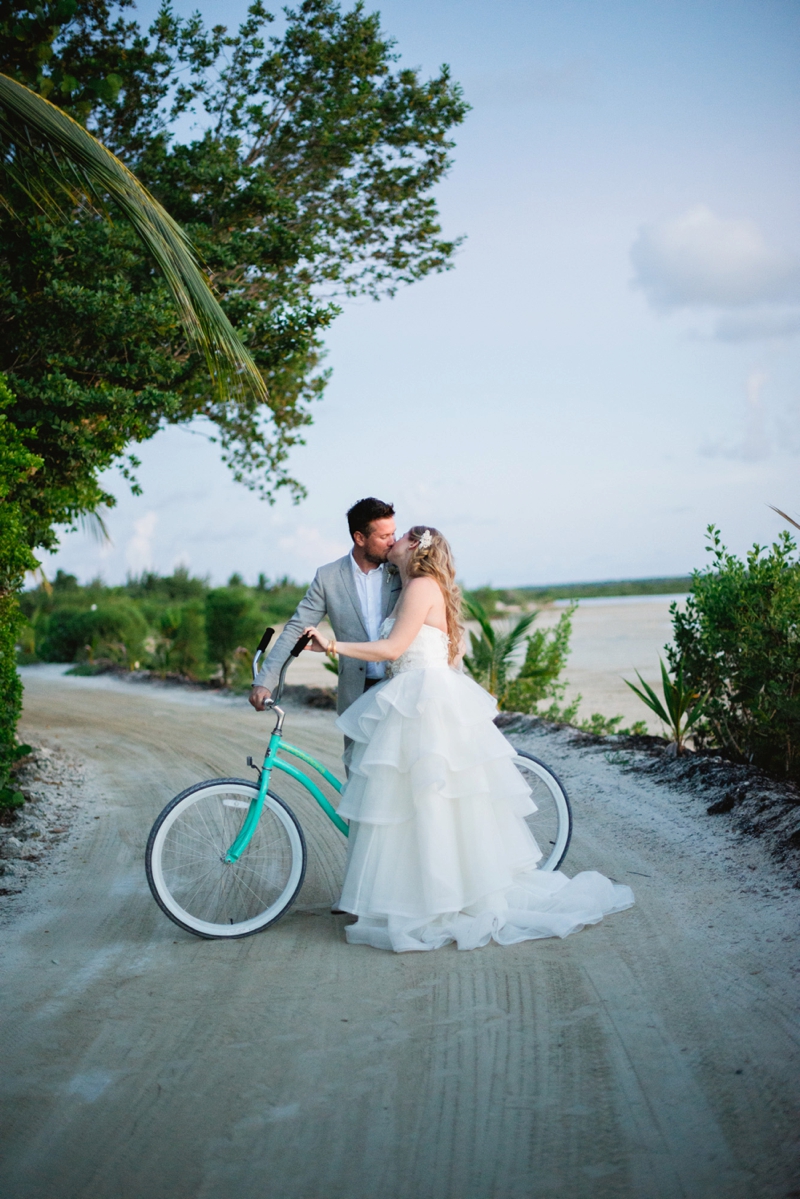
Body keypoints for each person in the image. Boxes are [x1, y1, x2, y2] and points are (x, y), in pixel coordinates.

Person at [302, 525, 635, 953]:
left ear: (417, 548)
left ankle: (442, 901)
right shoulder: (413, 585)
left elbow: (391, 649)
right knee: (418, 809)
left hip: (422, 702)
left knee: (429, 805)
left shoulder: (421, 586)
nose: (393, 541)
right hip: (418, 697)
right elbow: (446, 653)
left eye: (401, 536)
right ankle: (422, 895)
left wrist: (331, 647)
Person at [249, 497, 402, 725]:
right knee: (355, 762)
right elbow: (296, 629)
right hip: (356, 696)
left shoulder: (403, 569)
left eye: (393, 533)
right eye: (384, 536)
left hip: (401, 690)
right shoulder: (327, 577)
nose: (393, 542)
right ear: (359, 538)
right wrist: (265, 680)